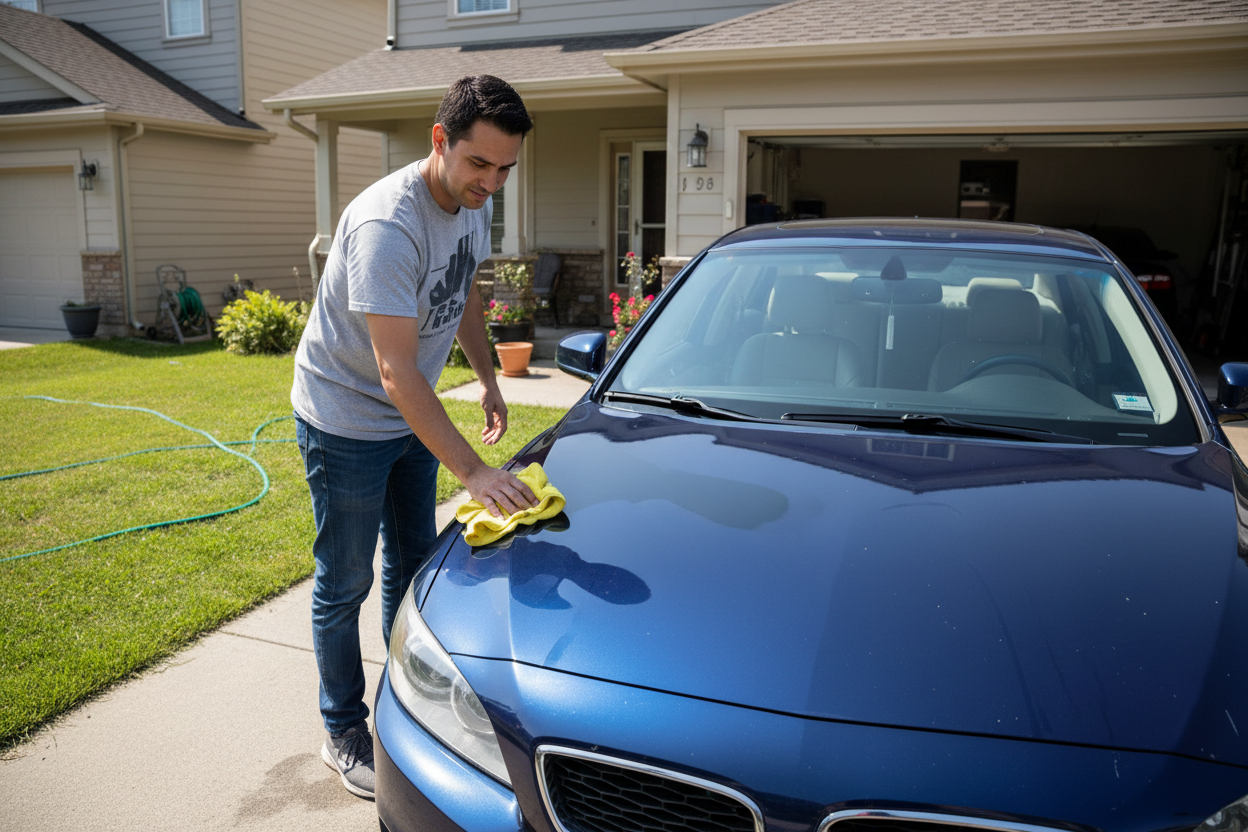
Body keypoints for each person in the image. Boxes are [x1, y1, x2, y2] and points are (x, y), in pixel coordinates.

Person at [291, 74, 537, 800]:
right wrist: (474, 472)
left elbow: (460, 290)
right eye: (478, 164)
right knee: (345, 582)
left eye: (504, 169)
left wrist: (486, 376)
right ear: (440, 141)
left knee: (415, 564)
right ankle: (342, 728)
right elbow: (395, 374)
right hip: (346, 420)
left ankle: (407, 700)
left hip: (408, 419)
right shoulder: (386, 226)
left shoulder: (471, 204)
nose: (491, 182)